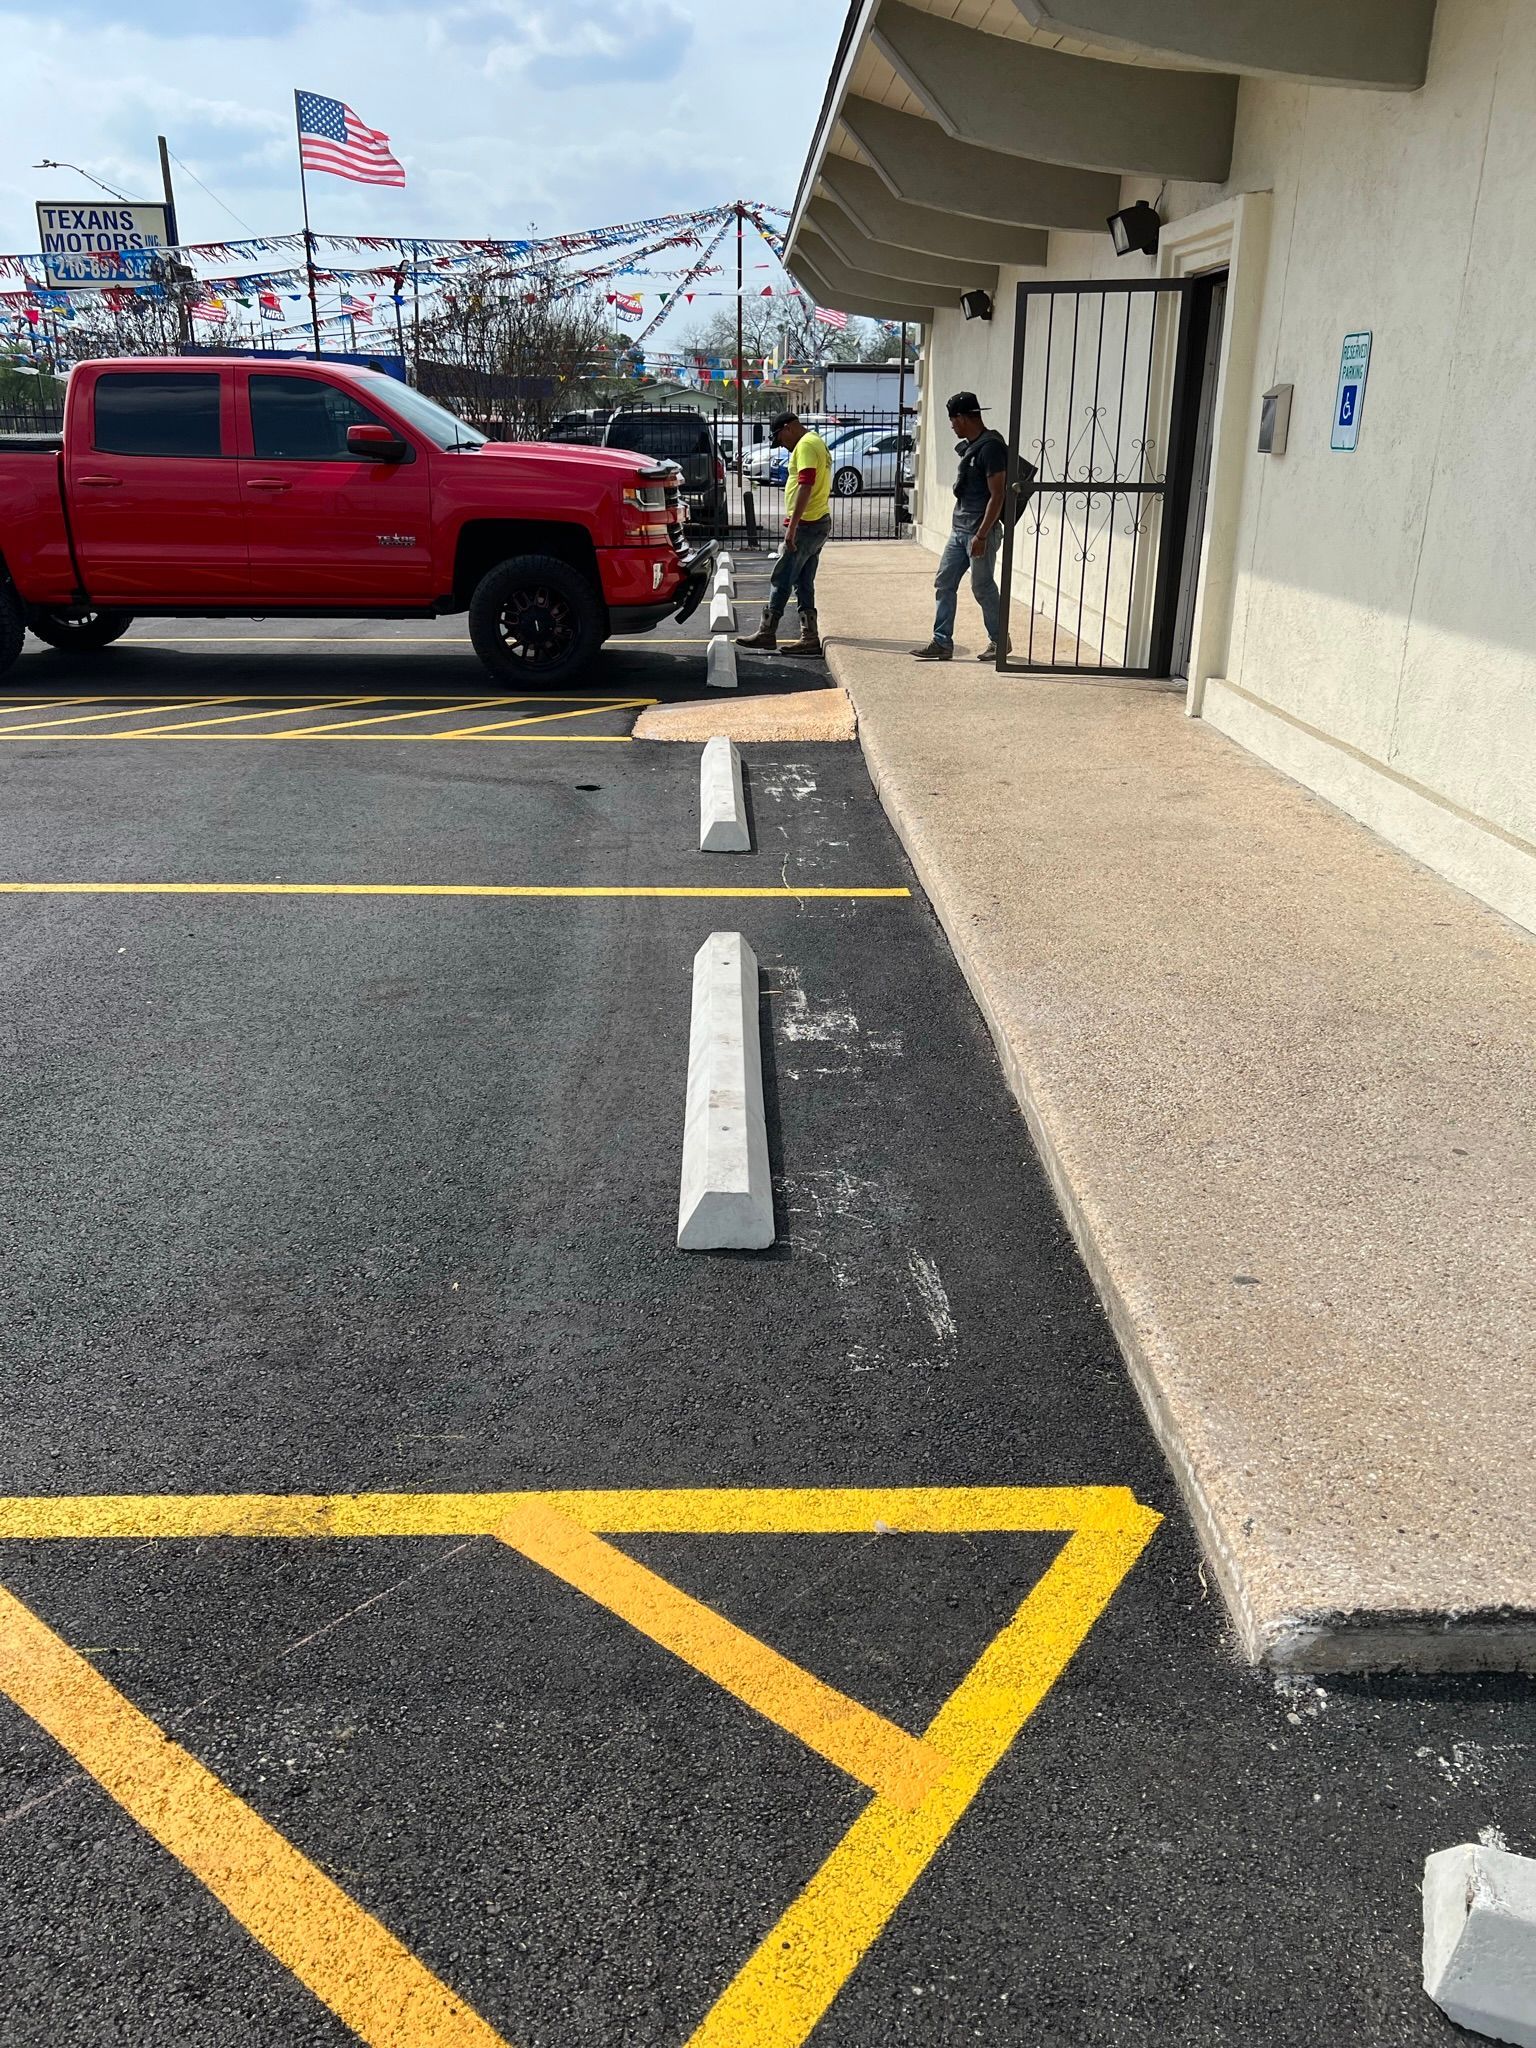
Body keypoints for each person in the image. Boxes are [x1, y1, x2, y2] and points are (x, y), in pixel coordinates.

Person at [911, 392, 1009, 662]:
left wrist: (982, 535)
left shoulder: (991, 448)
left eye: (953, 420)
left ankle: (999, 641)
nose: (952, 426)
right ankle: (942, 642)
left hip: (980, 532)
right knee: (944, 582)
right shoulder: (972, 445)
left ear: (964, 418)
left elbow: (997, 495)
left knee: (982, 586)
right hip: (960, 530)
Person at [737, 410, 832, 657]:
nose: (782, 445)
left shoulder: (806, 446)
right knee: (803, 580)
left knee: (782, 577)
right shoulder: (815, 442)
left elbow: (806, 484)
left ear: (789, 427)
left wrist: (792, 526)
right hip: (816, 520)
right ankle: (809, 636)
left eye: (781, 438)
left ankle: (767, 633)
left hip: (807, 524)